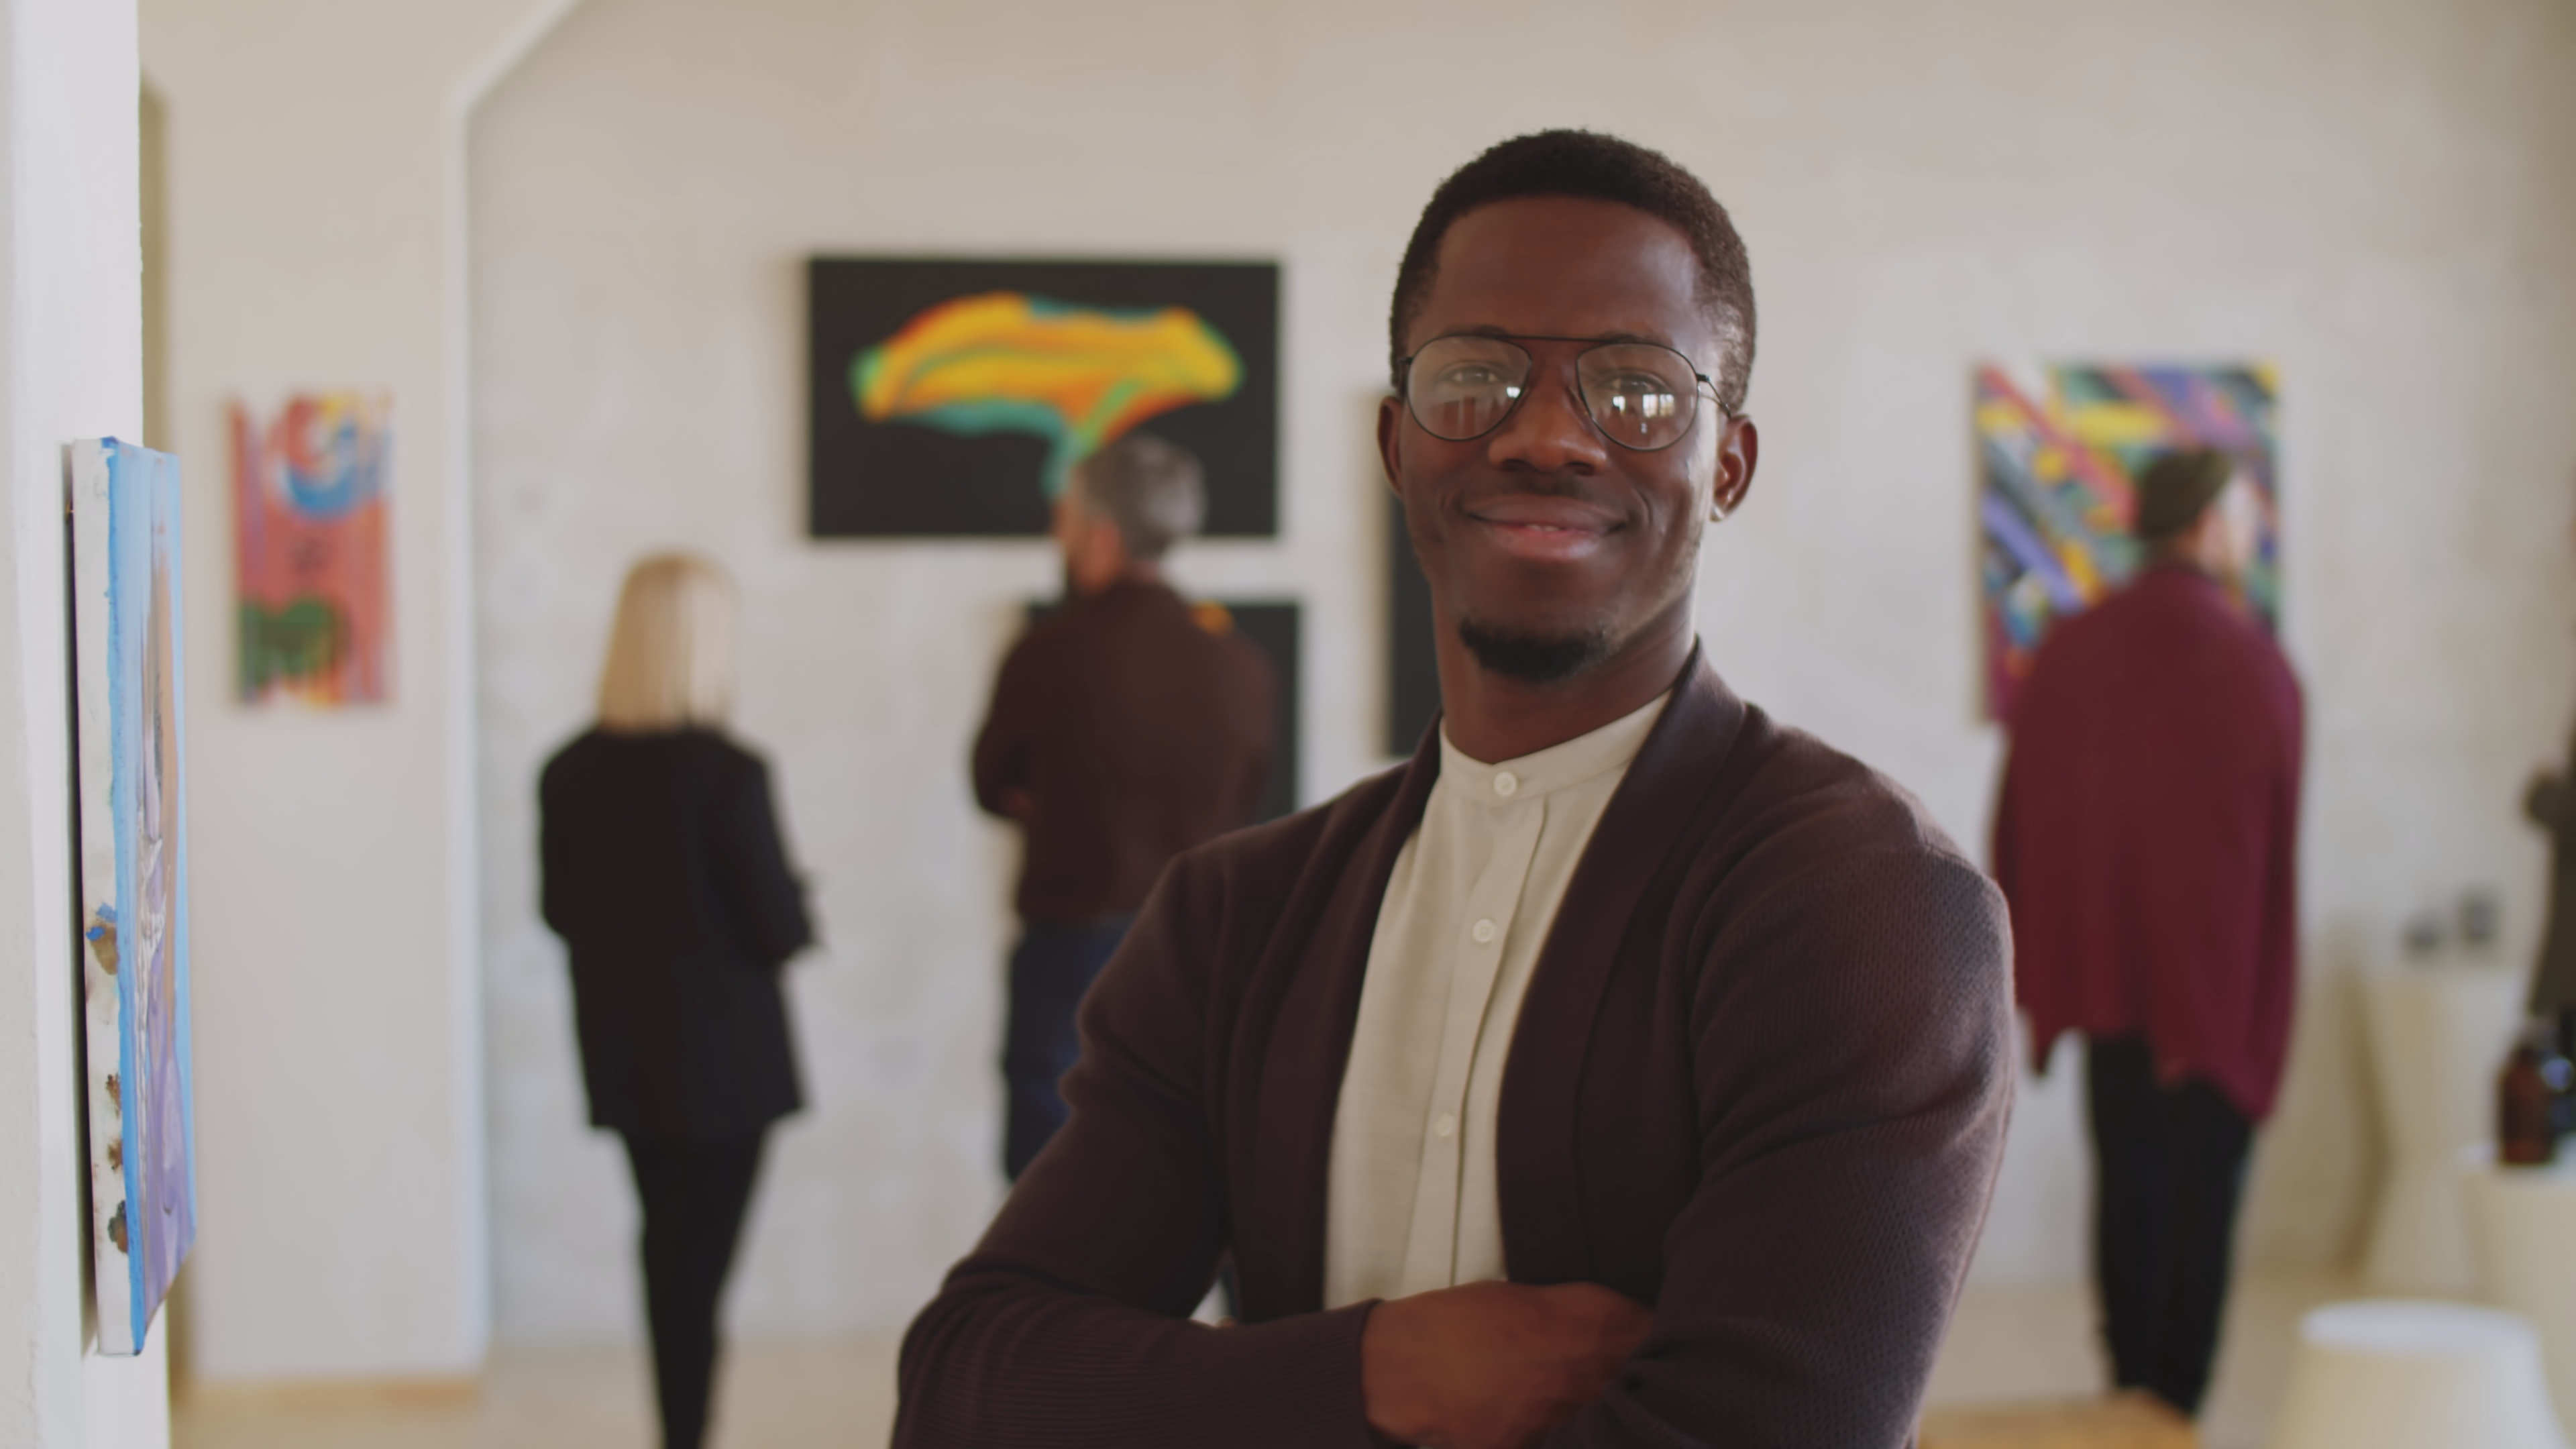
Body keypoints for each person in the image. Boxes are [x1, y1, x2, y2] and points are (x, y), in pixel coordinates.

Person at [899, 130, 2014, 1449]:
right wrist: (1370, 1375)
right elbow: (970, 1384)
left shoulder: (1863, 910)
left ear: (1727, 464)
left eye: (1638, 389)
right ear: (1397, 442)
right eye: (1475, 375)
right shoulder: (1236, 920)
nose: (1547, 435)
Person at [1992, 449, 2304, 1419]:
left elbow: (2023, 817)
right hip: (2210, 1001)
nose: (2252, 531)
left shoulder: (2073, 652)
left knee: (2126, 1182)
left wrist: (2051, 965)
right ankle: (2177, 1406)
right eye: (2246, 513)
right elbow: (2266, 861)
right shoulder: (2254, 663)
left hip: (2109, 991)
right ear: (2209, 523)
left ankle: (2130, 1399)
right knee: (2199, 1205)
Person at [539, 553, 813, 1449]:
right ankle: (687, 1435)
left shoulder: (568, 772)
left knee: (668, 1255)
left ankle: (682, 1432)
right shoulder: (731, 773)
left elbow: (561, 912)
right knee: (692, 1272)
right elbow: (775, 928)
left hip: (626, 1057)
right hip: (728, 1070)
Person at [971, 431, 1276, 1179]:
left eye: (1065, 519)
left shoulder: (1049, 651)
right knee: (1208, 1151)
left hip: (1073, 942)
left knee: (1052, 1168)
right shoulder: (1239, 664)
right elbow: (1247, 794)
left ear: (1101, 536)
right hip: (1201, 943)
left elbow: (992, 785)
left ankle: (1057, 1304)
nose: (1058, 536)